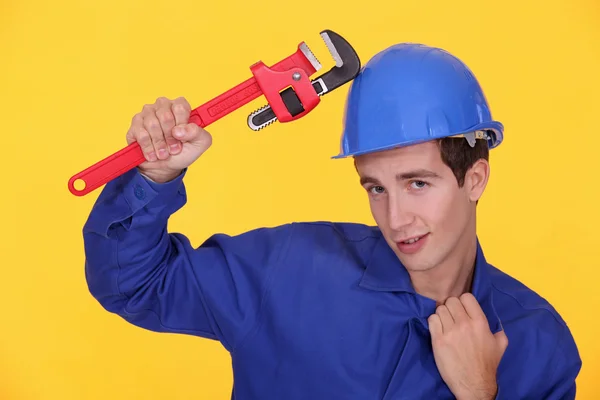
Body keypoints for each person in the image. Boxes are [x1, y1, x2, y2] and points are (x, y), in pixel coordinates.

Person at [82, 43, 582, 399]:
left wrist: (478, 393)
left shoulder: (538, 345)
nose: (396, 217)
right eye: (375, 188)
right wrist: (153, 176)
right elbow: (135, 284)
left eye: (418, 184)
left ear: (474, 179)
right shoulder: (286, 274)